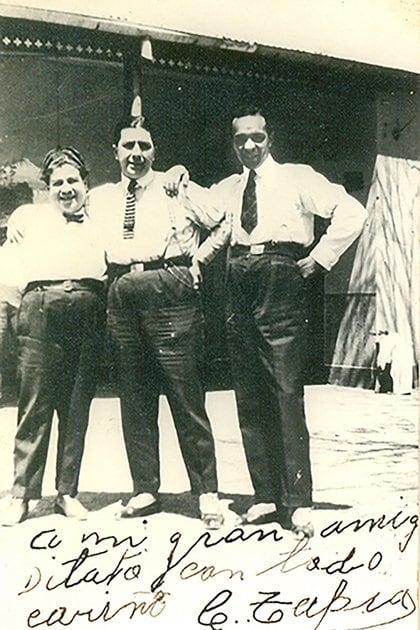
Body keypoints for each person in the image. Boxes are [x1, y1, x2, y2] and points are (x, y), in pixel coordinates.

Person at [170, 106, 367, 535]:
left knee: (284, 388)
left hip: (281, 273)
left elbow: (354, 213)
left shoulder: (298, 178)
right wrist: (180, 176)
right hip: (237, 274)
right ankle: (264, 497)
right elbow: (201, 209)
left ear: (270, 138)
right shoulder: (230, 187)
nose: (249, 146)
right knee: (248, 389)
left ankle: (297, 502)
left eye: (257, 137)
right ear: (234, 143)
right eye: (241, 139)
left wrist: (319, 259)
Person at [88, 116, 226, 528]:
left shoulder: (175, 186)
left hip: (170, 287)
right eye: (128, 146)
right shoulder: (101, 197)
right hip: (122, 291)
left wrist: (199, 260)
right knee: (134, 397)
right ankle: (145, 488)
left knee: (186, 396)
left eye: (143, 146)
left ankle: (207, 493)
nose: (136, 154)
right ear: (115, 152)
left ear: (154, 152)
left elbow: (223, 220)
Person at [0, 147, 107, 527]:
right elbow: (9, 273)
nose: (66, 189)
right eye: (58, 182)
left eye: (72, 181)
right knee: (35, 406)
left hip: (87, 310)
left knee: (76, 407)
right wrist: (24, 312)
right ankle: (21, 495)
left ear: (85, 184)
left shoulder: (100, 220)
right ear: (46, 188)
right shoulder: (28, 217)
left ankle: (67, 493)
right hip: (40, 310)